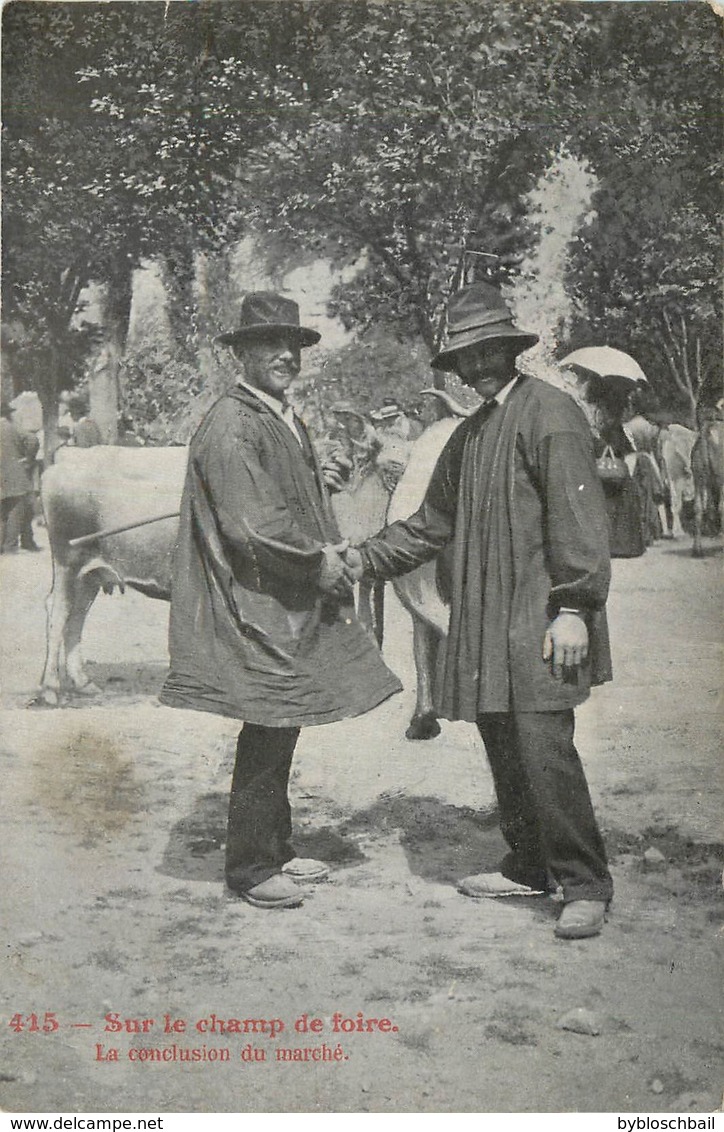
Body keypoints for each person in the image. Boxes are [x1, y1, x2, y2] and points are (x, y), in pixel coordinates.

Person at [346, 283, 615, 940]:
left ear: (508, 350)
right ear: (457, 367)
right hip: (487, 617)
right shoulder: (467, 436)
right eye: (467, 357)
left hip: (544, 616)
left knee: (545, 746)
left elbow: (580, 521)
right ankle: (527, 864)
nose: (478, 365)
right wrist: (360, 558)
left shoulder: (551, 414)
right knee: (501, 739)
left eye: (489, 350)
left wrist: (575, 606)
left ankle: (584, 883)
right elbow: (429, 524)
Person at [160, 292, 401, 909]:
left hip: (285, 596)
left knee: (282, 720)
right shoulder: (232, 423)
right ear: (240, 353)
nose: (285, 355)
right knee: (267, 723)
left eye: (292, 345)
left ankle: (277, 846)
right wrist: (320, 561)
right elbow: (252, 526)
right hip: (255, 599)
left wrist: (329, 544)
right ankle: (249, 866)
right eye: (269, 344)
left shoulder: (281, 416)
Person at [1, 400, 41, 553]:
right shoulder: (11, 427)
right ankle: (11, 546)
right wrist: (28, 458)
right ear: (7, 414)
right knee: (15, 511)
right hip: (14, 475)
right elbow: (33, 439)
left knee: (2, 513)